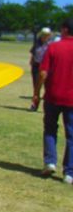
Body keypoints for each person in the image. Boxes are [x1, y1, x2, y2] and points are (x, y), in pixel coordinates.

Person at [33, 18, 73, 183]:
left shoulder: (53, 47)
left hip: (53, 96)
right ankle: (69, 172)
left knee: (50, 129)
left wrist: (36, 93)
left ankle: (50, 162)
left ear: (64, 30)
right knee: (71, 135)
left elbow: (42, 73)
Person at [29, 27, 52, 110]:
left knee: (48, 87)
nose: (45, 36)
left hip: (47, 67)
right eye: (43, 35)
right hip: (36, 66)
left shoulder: (51, 44)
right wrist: (31, 61)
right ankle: (35, 104)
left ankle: (49, 106)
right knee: (36, 87)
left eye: (47, 35)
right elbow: (33, 53)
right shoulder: (37, 43)